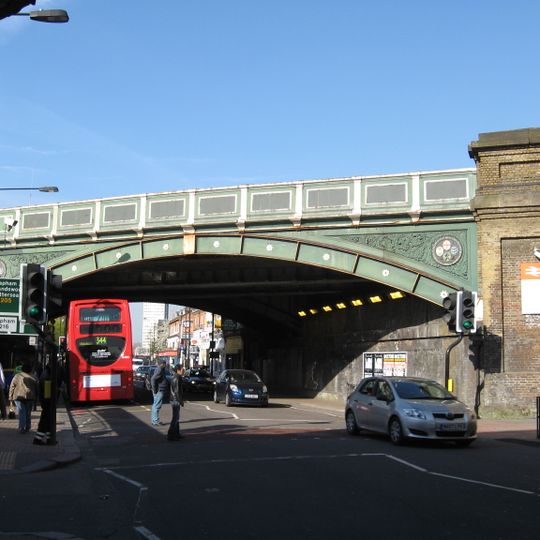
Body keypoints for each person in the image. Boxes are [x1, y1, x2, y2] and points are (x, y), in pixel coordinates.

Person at [8, 360, 38, 433]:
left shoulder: (17, 376)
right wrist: (36, 397)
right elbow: (37, 388)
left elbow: (12, 386)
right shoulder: (34, 377)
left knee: (22, 412)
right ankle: (28, 427)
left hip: (18, 397)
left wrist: (10, 397)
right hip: (30, 397)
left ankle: (22, 427)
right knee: (28, 412)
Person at [167, 364, 185, 441]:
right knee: (175, 418)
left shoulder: (175, 376)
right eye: (182, 369)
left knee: (176, 417)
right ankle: (171, 435)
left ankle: (177, 434)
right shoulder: (178, 377)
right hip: (175, 399)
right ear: (178, 370)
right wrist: (181, 401)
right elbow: (177, 391)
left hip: (173, 399)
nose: (183, 370)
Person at [150, 360, 170, 426]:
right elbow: (153, 379)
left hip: (158, 390)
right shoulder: (160, 369)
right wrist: (155, 389)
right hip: (159, 390)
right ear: (162, 364)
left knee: (155, 405)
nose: (166, 365)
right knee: (157, 406)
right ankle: (156, 421)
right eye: (165, 364)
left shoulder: (160, 369)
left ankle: (154, 420)